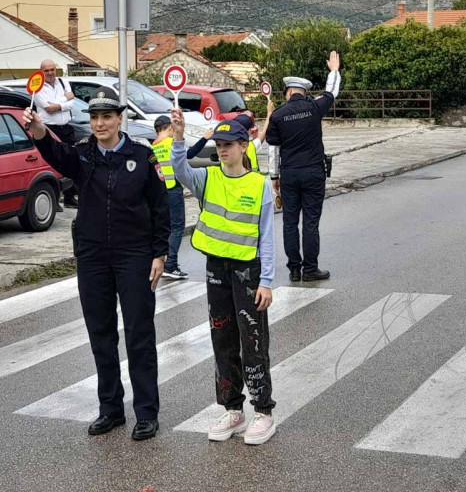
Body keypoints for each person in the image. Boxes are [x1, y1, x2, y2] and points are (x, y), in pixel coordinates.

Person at [23, 87, 169, 442]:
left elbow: (160, 207)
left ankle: (146, 413)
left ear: (120, 119)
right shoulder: (83, 155)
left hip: (134, 254)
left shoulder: (142, 156)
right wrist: (39, 130)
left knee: (138, 334)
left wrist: (159, 253)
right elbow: (56, 153)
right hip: (92, 256)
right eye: (95, 118)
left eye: (107, 117)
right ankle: (111, 408)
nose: (100, 124)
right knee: (101, 334)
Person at [169, 109, 277, 445]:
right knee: (222, 339)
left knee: (253, 341)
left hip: (248, 272)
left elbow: (267, 237)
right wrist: (178, 138)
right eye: (219, 144)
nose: (222, 149)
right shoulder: (208, 178)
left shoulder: (259, 185)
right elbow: (180, 171)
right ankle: (233, 409)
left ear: (244, 146)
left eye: (228, 144)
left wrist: (267, 281)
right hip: (216, 269)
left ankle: (263, 411)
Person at [266, 52, 341, 282]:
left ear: (288, 93)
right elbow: (332, 92)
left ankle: (294, 270)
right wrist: (334, 70)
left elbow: (273, 149)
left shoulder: (278, 115)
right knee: (310, 222)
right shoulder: (315, 108)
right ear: (304, 92)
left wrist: (274, 176)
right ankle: (310, 270)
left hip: (289, 175)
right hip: (313, 173)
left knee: (290, 223)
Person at [185, 97, 276, 173]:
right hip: (252, 184)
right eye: (219, 145)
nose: (222, 149)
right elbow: (264, 133)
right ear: (248, 131)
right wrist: (269, 113)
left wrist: (205, 138)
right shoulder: (252, 146)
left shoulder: (225, 150)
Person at [34, 59, 79, 207]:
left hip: (66, 128)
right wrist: (65, 98)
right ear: (41, 72)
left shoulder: (63, 82)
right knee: (52, 162)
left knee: (71, 160)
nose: (50, 73)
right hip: (49, 128)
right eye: (46, 70)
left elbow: (72, 103)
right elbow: (48, 108)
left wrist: (58, 105)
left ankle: (69, 197)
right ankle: (55, 199)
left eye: (52, 69)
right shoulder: (37, 87)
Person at [151, 115, 189, 280]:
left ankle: (164, 260)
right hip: (173, 188)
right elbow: (187, 156)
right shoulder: (171, 143)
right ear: (170, 128)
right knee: (177, 227)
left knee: (166, 227)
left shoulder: (153, 146)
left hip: (161, 191)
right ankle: (171, 264)